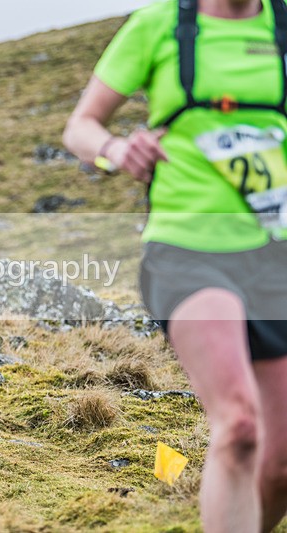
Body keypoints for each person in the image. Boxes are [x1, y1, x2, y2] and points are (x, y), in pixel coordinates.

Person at [63, 0, 287, 530]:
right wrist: (115, 151)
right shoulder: (159, 25)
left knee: (280, 465)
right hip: (188, 250)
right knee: (238, 427)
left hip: (274, 257)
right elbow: (82, 126)